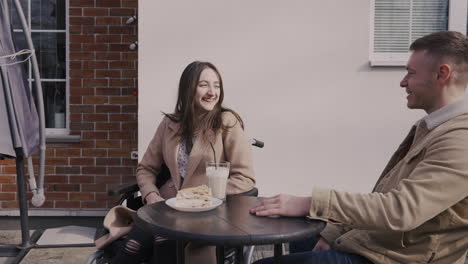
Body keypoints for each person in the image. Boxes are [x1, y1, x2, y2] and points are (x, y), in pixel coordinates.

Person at [250, 31, 468, 264]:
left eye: (411, 73)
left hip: (399, 258)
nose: (402, 82)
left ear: (442, 74)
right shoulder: (433, 127)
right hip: (382, 244)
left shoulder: (460, 141)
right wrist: (334, 233)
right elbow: (382, 197)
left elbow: (401, 210)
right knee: (304, 233)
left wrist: (310, 203)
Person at [113, 61, 256, 264]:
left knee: (164, 244)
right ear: (188, 88)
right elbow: (146, 168)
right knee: (132, 247)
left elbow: (245, 178)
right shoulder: (169, 124)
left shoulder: (226, 123)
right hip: (165, 206)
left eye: (216, 85)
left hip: (207, 212)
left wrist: (199, 196)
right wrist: (151, 195)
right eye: (204, 85)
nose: (212, 92)